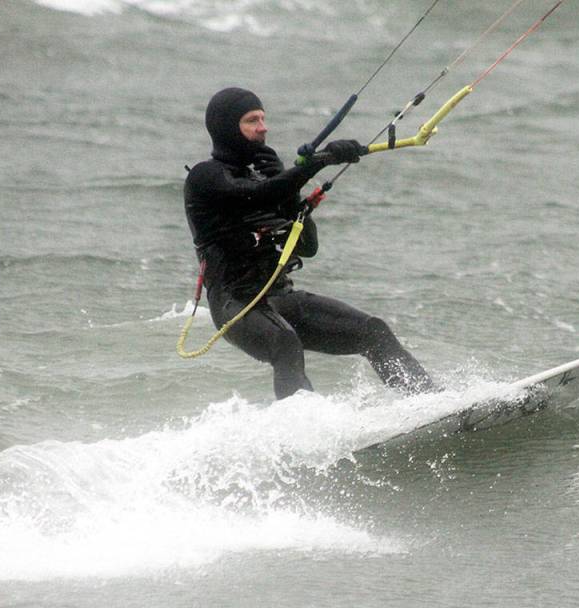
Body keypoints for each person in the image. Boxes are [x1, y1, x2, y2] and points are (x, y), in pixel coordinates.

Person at [184, 87, 435, 399]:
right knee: (285, 344)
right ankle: (303, 430)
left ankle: (429, 400)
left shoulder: (265, 179)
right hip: (235, 302)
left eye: (263, 118)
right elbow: (255, 196)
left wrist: (291, 195)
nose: (263, 127)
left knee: (373, 331)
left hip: (280, 296)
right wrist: (317, 164)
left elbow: (307, 247)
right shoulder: (205, 177)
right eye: (252, 120)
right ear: (226, 128)